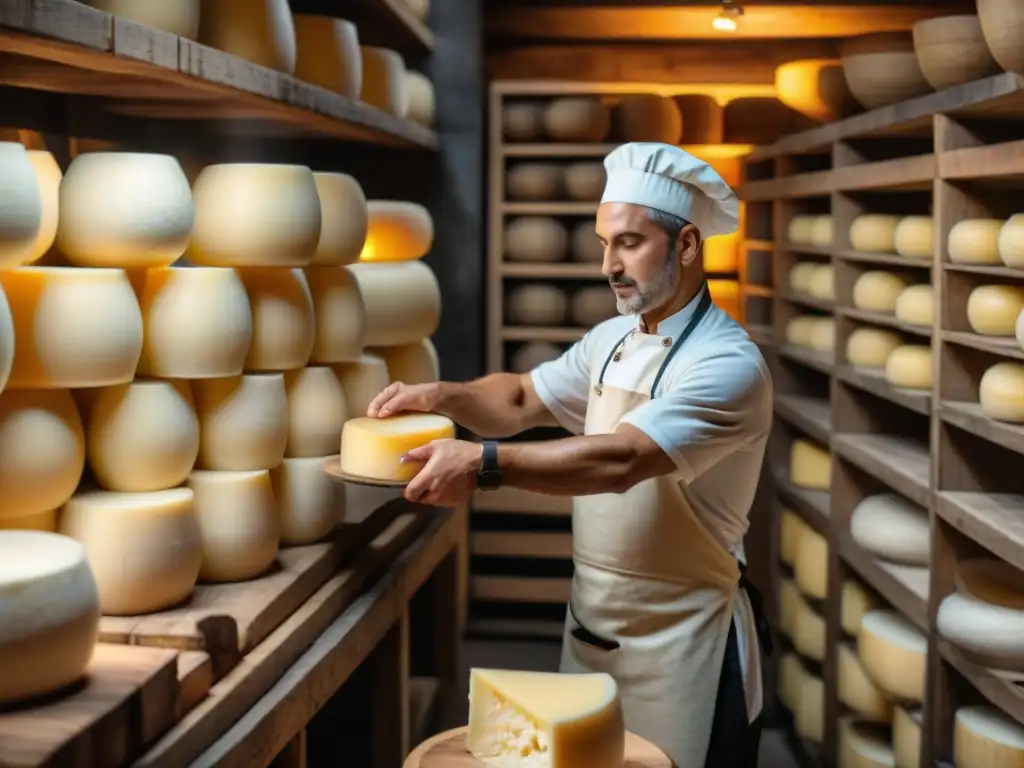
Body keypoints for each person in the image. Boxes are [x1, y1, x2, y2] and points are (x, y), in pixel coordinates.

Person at [367, 142, 773, 768]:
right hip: (594, 628)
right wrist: (441, 394)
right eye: (603, 243)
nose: (608, 264)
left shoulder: (727, 364)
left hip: (687, 641)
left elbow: (621, 461)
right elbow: (521, 396)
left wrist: (483, 465)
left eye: (630, 243)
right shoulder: (610, 340)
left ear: (688, 245)